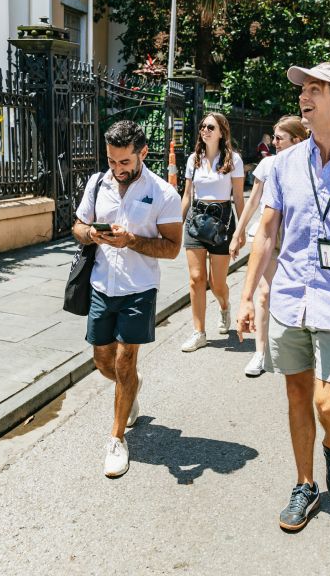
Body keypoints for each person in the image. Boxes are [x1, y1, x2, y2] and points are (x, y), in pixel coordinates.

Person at [237, 62, 330, 532]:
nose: (304, 96)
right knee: (297, 393)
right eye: (303, 89)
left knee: (328, 405)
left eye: (316, 89)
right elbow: (266, 235)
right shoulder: (283, 164)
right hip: (287, 298)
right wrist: (245, 298)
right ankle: (305, 484)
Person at [72, 120, 183, 478]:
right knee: (103, 361)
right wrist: (90, 233)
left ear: (142, 154)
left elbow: (172, 248)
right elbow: (77, 226)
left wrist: (131, 240)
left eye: (124, 162)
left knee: (123, 361)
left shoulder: (163, 193)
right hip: (102, 286)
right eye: (112, 161)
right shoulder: (97, 183)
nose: (117, 170)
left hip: (139, 288)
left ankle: (117, 439)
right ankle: (132, 388)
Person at [230, 115, 308, 378]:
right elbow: (253, 202)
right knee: (265, 293)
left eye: (279, 138)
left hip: (295, 238)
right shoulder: (269, 163)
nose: (273, 143)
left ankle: (295, 347)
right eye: (274, 137)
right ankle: (260, 352)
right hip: (267, 236)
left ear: (296, 140)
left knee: (291, 293)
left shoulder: (310, 165)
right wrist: (237, 233)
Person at [181, 113, 246, 352]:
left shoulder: (233, 160)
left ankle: (224, 307)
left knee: (216, 283)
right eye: (202, 126)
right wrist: (176, 225)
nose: (205, 130)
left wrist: (241, 230)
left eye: (210, 126)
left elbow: (238, 197)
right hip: (196, 220)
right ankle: (199, 332)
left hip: (222, 221)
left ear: (221, 132)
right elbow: (187, 195)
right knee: (196, 279)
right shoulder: (193, 159)